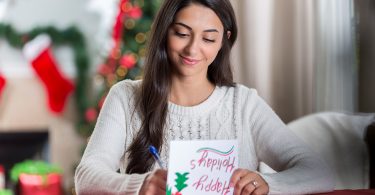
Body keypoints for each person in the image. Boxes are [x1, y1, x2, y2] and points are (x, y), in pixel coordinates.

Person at [75, 0, 335, 194]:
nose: (192, 49)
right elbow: (85, 177)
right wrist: (141, 185)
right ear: (165, 33)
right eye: (182, 34)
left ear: (224, 40)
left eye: (209, 38)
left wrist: (268, 184)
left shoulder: (243, 104)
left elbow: (319, 171)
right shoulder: (125, 97)